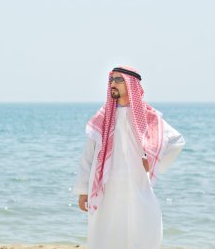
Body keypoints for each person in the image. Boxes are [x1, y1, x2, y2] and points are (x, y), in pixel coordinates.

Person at [72, 65, 185, 249]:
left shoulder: (149, 117)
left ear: (131, 84)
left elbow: (176, 142)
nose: (112, 84)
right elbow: (87, 157)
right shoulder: (102, 118)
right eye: (111, 79)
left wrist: (155, 164)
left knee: (143, 231)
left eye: (118, 80)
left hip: (136, 186)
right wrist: (83, 190)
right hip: (106, 188)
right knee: (105, 235)